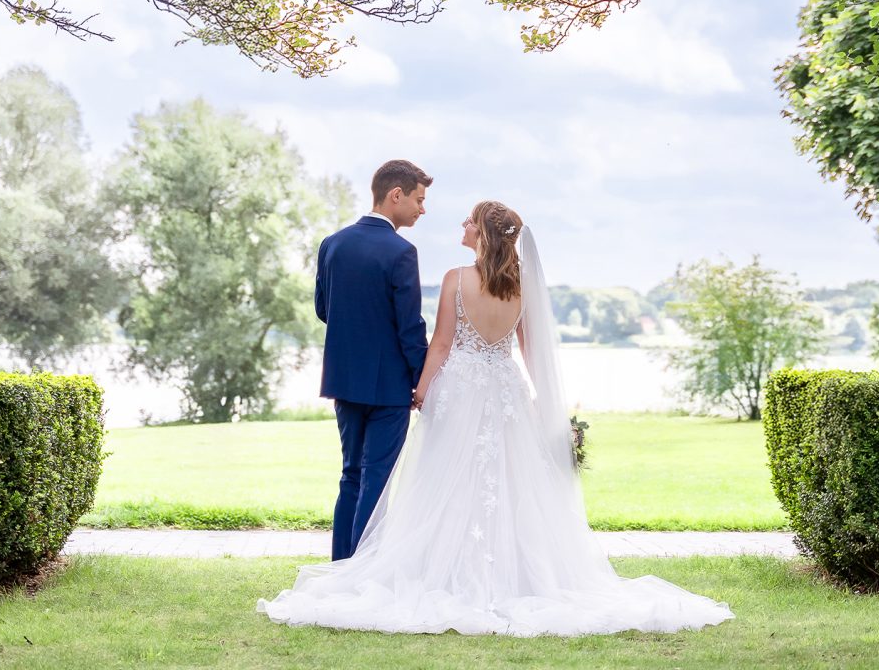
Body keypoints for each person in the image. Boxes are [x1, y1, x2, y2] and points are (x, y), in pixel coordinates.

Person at [259, 200, 734, 636]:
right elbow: (531, 353)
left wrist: (420, 391)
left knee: (446, 481)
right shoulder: (523, 286)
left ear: (484, 233)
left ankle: (434, 570)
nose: (461, 226)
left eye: (468, 221)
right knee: (508, 484)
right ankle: (511, 575)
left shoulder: (455, 279)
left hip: (460, 390)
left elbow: (442, 344)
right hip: (505, 389)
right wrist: (549, 408)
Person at [314, 160, 432, 561]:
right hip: (389, 387)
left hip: (344, 380)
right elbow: (410, 327)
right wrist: (425, 379)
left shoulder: (332, 243)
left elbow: (322, 309)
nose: (422, 209)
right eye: (419, 199)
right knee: (377, 479)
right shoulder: (402, 251)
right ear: (395, 195)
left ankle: (339, 566)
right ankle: (362, 573)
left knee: (351, 475)